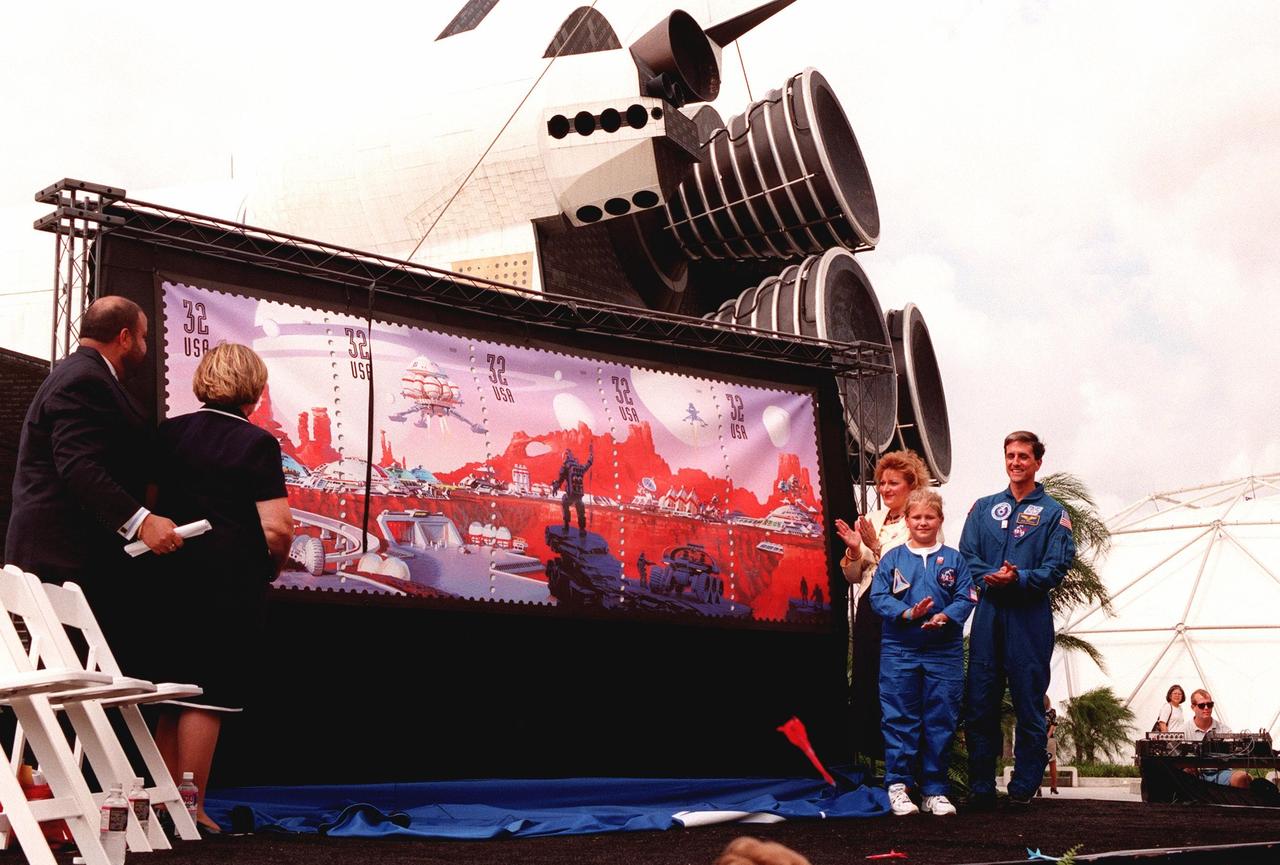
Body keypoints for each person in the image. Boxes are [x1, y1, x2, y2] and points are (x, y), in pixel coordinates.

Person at [148, 344, 293, 832]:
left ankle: (163, 806)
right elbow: (277, 530)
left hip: (167, 576)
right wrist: (270, 568)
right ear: (253, 389)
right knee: (207, 696)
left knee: (171, 693)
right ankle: (190, 811)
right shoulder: (257, 444)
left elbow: (151, 504)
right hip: (228, 581)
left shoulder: (169, 433)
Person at [5, 296, 183, 616]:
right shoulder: (84, 380)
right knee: (56, 661)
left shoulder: (82, 374)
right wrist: (142, 522)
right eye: (143, 337)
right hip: (58, 562)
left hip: (65, 558)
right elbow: (78, 466)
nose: (145, 346)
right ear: (124, 337)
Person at [961, 431, 1075, 808]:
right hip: (989, 614)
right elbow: (967, 555)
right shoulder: (983, 508)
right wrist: (990, 576)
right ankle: (980, 785)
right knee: (980, 701)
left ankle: (1024, 786)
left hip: (1029, 616)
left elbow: (1057, 567)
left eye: (1023, 456)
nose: (1015, 462)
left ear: (1038, 462)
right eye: (1010, 455)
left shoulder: (1054, 512)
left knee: (1029, 702)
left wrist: (1021, 578)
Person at [870, 488, 975, 816]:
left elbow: (967, 596)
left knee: (940, 719)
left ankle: (934, 790)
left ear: (940, 520)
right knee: (900, 718)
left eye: (930, 517)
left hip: (943, 653)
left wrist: (946, 616)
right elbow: (878, 597)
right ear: (907, 520)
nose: (923, 522)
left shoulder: (955, 559)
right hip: (899, 651)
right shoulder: (893, 559)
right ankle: (899, 787)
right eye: (916, 517)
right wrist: (908, 613)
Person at [835, 449, 934, 761]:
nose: (885, 489)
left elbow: (913, 574)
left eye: (893, 482)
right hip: (870, 607)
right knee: (866, 682)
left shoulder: (922, 518)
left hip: (904, 611)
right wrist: (853, 550)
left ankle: (905, 768)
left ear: (911, 484)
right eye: (881, 483)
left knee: (900, 687)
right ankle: (868, 762)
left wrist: (875, 548)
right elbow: (852, 575)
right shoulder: (873, 519)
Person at [1184, 689, 1250, 788]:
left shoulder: (1225, 730)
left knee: (1244, 778)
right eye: (1202, 705)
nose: (1206, 708)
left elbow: (1233, 755)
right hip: (1195, 773)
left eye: (1209, 705)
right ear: (1193, 707)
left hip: (1222, 772)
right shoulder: (1184, 729)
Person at [551, 443, 593, 533]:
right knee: (580, 508)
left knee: (565, 503)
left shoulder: (565, 467)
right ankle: (582, 529)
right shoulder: (579, 467)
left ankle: (566, 525)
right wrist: (591, 454)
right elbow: (588, 464)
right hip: (579, 495)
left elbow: (560, 480)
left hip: (570, 495)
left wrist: (555, 487)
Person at [1044, 696, 1060, 795]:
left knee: (1050, 763)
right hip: (1043, 739)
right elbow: (1052, 727)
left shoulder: (1051, 712)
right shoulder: (1037, 711)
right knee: (1048, 764)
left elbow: (1052, 726)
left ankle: (1053, 786)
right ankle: (1041, 788)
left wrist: (1046, 737)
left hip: (1046, 740)